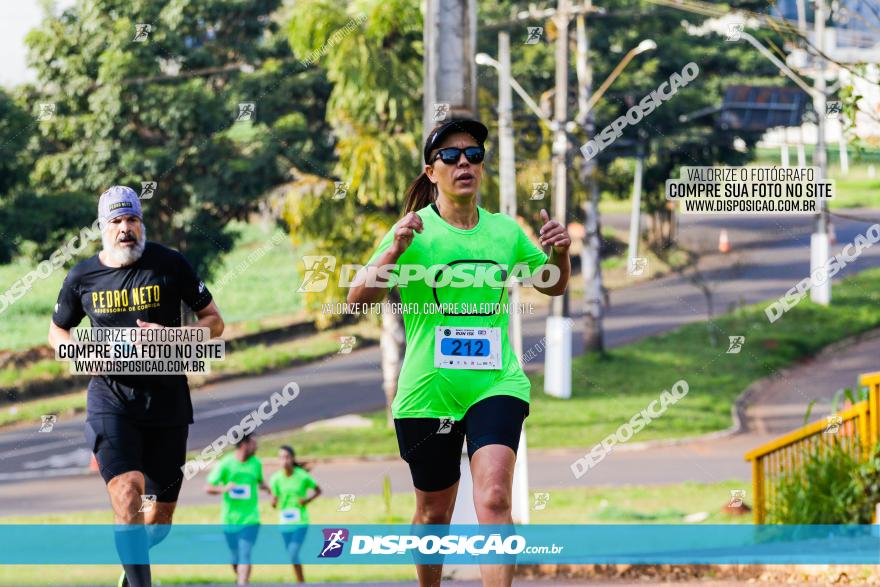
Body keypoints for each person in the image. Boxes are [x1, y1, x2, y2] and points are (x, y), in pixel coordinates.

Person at [346, 119, 570, 587]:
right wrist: (391, 255)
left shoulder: (505, 232)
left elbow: (552, 285)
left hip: (495, 382)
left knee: (492, 498)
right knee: (433, 515)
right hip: (428, 392)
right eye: (450, 156)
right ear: (432, 172)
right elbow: (356, 298)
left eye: (473, 154)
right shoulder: (412, 230)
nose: (463, 162)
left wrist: (560, 254)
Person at [48, 186, 224, 587]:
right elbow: (57, 331)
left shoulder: (171, 264)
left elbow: (214, 321)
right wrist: (80, 355)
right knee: (128, 493)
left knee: (160, 522)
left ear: (141, 223)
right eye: (116, 221)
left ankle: (131, 571)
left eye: (132, 220)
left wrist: (177, 337)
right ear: (102, 227)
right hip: (111, 400)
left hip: (167, 402)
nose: (126, 229)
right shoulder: (82, 276)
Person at [205, 434, 273, 585]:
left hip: (251, 519)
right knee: (235, 556)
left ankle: (242, 582)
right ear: (244, 444)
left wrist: (268, 490)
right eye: (254, 444)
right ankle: (242, 579)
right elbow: (208, 488)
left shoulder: (256, 463)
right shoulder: (226, 464)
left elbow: (260, 481)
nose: (257, 447)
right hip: (230, 519)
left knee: (245, 554)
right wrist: (224, 488)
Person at [270, 445, 322, 583]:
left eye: (287, 457)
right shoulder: (275, 479)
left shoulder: (302, 476)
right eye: (281, 457)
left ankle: (301, 581)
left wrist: (307, 500)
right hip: (284, 522)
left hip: (300, 521)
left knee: (293, 552)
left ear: (292, 458)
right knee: (292, 556)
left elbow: (318, 490)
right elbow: (274, 501)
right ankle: (301, 581)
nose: (284, 460)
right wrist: (273, 502)